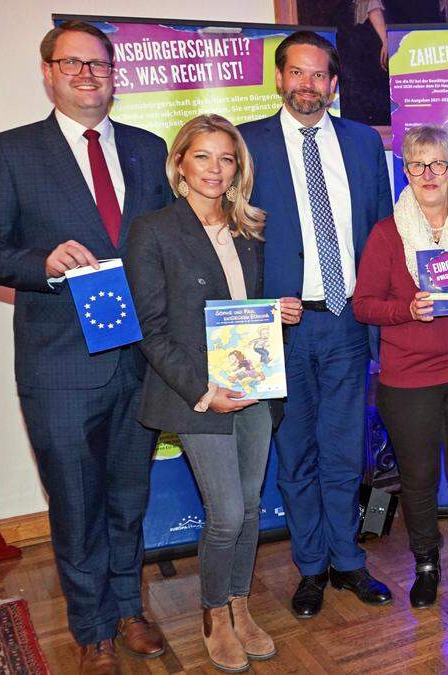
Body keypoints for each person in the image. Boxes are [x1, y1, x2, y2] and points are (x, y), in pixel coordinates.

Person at [0, 21, 170, 674]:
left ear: (116, 74)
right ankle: (91, 627)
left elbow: (171, 244)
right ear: (48, 72)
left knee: (129, 497)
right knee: (76, 500)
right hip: (60, 364)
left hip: (140, 361)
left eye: (100, 64)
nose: (87, 74)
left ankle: (129, 607)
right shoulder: (12, 151)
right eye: (72, 63)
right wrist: (44, 262)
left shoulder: (147, 147)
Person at [125, 115, 303, 672]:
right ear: (180, 163)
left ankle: (239, 604)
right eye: (202, 156)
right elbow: (152, 330)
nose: (215, 169)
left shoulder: (248, 227)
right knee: (225, 513)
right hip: (195, 394)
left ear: (238, 168)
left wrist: (276, 313)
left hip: (252, 389)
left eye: (226, 158)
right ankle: (212, 615)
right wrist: (205, 390)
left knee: (249, 509)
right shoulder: (153, 229)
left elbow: (238, 316)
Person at [238, 30, 394, 618]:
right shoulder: (247, 145)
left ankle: (348, 560)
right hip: (281, 328)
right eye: (296, 74)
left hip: (347, 323)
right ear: (279, 79)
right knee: (295, 451)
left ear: (334, 83)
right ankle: (310, 567)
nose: (307, 86)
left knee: (344, 452)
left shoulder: (361, 143)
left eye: (318, 76)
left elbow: (382, 231)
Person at [353, 124, 448, 609]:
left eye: (439, 164)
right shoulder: (386, 233)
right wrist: (407, 310)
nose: (429, 173)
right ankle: (426, 565)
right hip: (408, 379)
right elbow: (364, 305)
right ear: (406, 172)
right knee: (417, 481)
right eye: (418, 164)